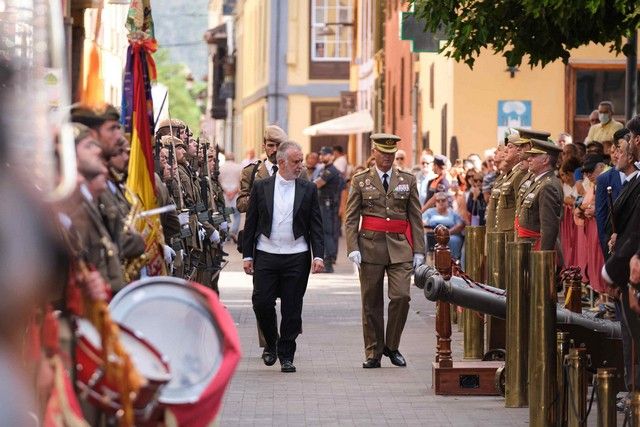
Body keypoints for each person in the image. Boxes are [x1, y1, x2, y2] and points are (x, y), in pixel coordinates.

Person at [242, 141, 324, 373]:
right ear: (281, 163)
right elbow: (252, 223)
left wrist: (318, 255)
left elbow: (316, 225)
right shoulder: (261, 187)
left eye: (301, 161)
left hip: (296, 256)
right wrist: (247, 255)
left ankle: (287, 355)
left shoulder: (309, 189)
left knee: (292, 308)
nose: (300, 166)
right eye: (296, 162)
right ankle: (271, 342)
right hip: (266, 253)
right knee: (261, 301)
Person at [344, 133, 425, 369]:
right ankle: (373, 351)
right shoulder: (360, 180)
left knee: (401, 296)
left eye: (391, 154)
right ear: (374, 152)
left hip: (400, 246)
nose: (388, 157)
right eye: (383, 153)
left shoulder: (407, 179)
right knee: (371, 303)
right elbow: (351, 218)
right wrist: (352, 247)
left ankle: (392, 345)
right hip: (370, 245)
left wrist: (419, 250)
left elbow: (415, 217)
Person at [514, 138, 563, 255]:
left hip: (535, 249)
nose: (529, 159)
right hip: (527, 246)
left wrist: (543, 258)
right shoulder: (539, 182)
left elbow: (549, 228)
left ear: (545, 159)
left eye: (534, 156)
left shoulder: (548, 186)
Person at [237, 125, 289, 213]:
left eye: (279, 145)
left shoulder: (296, 170)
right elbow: (241, 206)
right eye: (271, 146)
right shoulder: (250, 172)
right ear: (264, 146)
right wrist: (258, 196)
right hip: (261, 224)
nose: (275, 149)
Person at [595, 128, 628, 256]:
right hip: (614, 247)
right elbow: (601, 215)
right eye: (618, 150)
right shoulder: (604, 179)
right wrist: (606, 246)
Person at [314, 146, 344, 273]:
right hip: (325, 204)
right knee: (327, 233)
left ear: (332, 156)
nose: (322, 157)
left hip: (327, 205)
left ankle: (328, 262)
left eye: (325, 154)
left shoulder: (330, 170)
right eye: (321, 154)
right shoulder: (325, 169)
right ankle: (328, 261)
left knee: (327, 233)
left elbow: (318, 184)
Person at [423, 192, 465, 259]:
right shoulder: (429, 212)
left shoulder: (453, 213)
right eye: (438, 201)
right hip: (433, 234)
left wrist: (447, 233)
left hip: (450, 234)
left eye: (443, 200)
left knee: (454, 240)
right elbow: (423, 223)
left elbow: (460, 224)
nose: (440, 202)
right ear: (435, 202)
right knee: (425, 239)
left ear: (447, 201)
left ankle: (454, 261)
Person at [218, 152, 243, 242]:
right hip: (235, 193)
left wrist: (226, 191)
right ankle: (233, 231)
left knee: (226, 214)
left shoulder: (221, 168)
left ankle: (227, 233)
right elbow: (241, 181)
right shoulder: (239, 167)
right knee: (237, 214)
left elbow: (219, 181)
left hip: (225, 194)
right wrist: (234, 191)